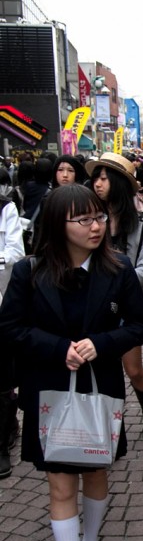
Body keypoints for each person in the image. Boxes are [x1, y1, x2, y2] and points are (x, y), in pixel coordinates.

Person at [0, 183, 143, 541]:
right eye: (83, 219)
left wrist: (99, 344)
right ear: (57, 224)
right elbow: (10, 328)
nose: (95, 226)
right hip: (48, 390)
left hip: (99, 388)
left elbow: (139, 324)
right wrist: (57, 348)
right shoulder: (30, 272)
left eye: (99, 217)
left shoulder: (118, 268)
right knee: (60, 485)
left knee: (98, 471)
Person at [85, 153, 143, 441]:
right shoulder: (91, 222)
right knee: (100, 371)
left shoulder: (142, 225)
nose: (98, 183)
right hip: (93, 309)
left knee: (133, 369)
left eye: (104, 178)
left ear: (117, 183)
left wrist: (117, 288)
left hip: (128, 310)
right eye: (96, 178)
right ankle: (109, 430)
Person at [0, 179, 26, 477]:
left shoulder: (5, 207)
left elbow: (16, 251)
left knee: (3, 374)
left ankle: (3, 439)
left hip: (3, 302)